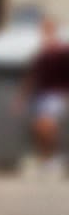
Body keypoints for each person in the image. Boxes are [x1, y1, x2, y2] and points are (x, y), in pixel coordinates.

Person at [30, 21, 69, 178]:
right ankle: (47, 159)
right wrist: (22, 97)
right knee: (39, 127)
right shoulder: (42, 52)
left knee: (47, 125)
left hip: (56, 94)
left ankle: (51, 159)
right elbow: (33, 75)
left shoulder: (62, 51)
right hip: (41, 94)